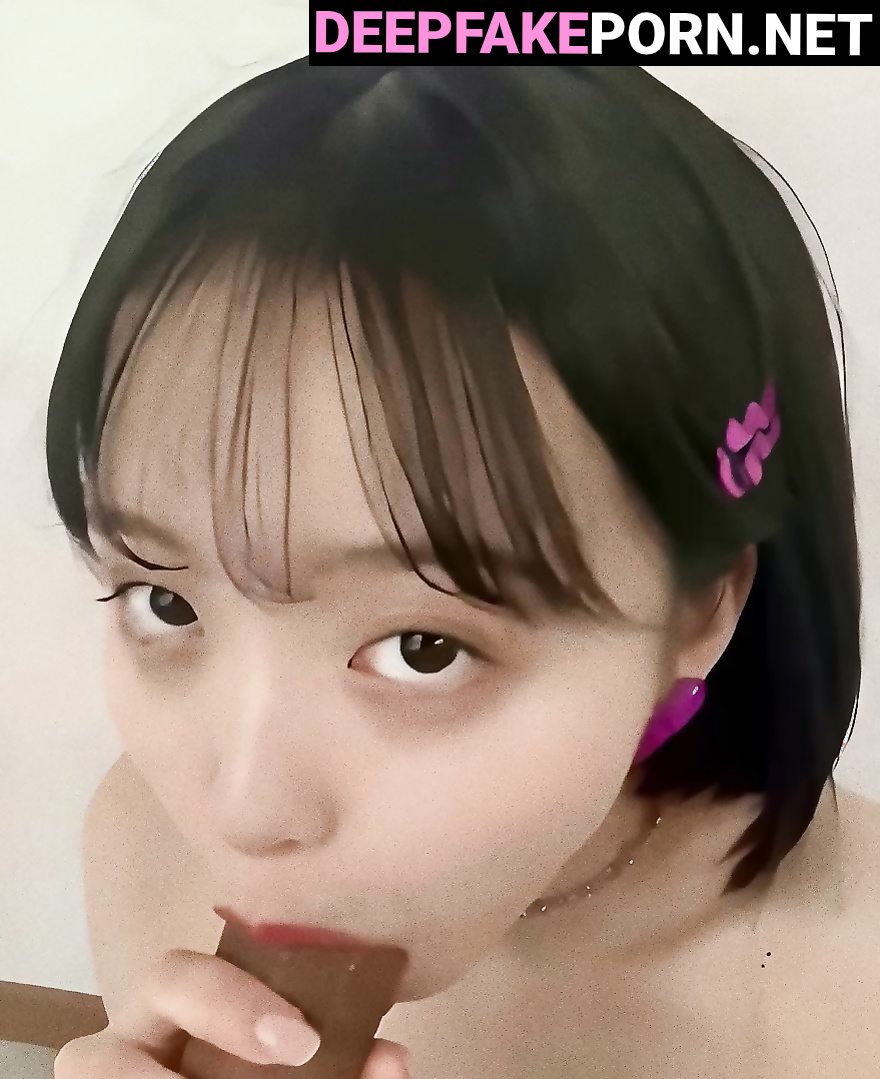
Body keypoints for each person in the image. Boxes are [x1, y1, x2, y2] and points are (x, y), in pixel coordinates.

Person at [47, 64, 877, 1079]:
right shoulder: (137, 839)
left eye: (423, 647)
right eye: (166, 600)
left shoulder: (851, 999)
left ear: (700, 605)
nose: (242, 810)